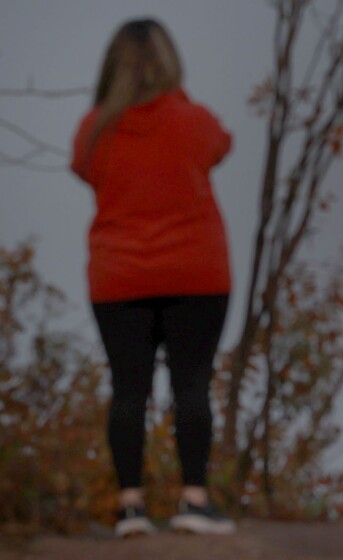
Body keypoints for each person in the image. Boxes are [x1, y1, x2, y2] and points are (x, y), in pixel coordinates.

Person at [70, 18, 235, 538]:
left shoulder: (95, 129)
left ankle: (131, 509)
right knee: (192, 385)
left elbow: (83, 167)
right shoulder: (194, 121)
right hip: (196, 271)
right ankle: (193, 499)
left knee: (127, 390)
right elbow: (221, 146)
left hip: (119, 276)